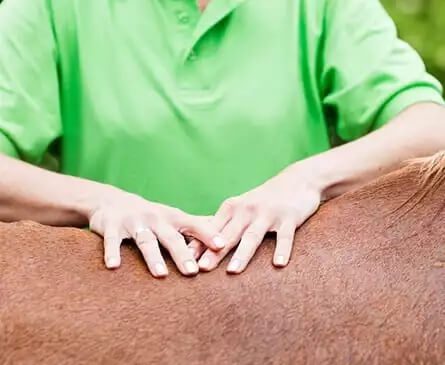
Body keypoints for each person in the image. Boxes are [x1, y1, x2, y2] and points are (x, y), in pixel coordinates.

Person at [0, 0, 444, 278]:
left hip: (290, 305)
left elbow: (430, 127)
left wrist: (306, 180)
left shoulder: (323, 6)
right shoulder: (49, 7)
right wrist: (100, 201)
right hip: (113, 301)